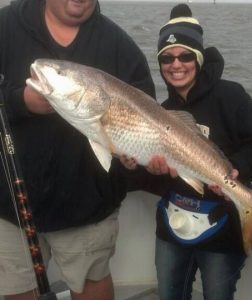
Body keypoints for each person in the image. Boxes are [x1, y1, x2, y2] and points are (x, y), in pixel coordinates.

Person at [0, 1, 155, 300]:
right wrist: (21, 101)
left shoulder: (119, 45)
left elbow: (145, 118)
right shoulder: (6, 25)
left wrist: (131, 155)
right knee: (17, 290)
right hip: (10, 203)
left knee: (91, 284)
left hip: (87, 205)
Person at [124, 3, 252, 300]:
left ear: (199, 58)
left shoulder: (231, 96)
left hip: (224, 226)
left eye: (185, 55)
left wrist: (235, 169)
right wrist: (145, 169)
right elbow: (162, 178)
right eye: (166, 57)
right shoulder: (161, 112)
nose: (175, 64)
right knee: (169, 294)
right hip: (173, 224)